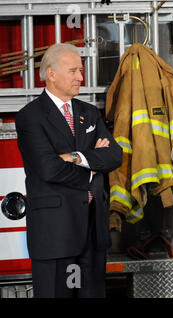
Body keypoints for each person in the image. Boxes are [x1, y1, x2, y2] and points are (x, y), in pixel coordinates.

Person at [16, 43, 122, 298]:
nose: (80, 77)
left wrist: (74, 157)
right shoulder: (30, 117)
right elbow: (49, 169)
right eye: (73, 70)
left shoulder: (90, 113)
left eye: (81, 70)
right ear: (50, 73)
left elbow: (114, 155)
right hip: (55, 235)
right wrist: (91, 169)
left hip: (92, 233)